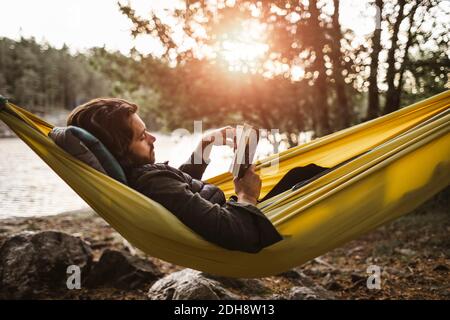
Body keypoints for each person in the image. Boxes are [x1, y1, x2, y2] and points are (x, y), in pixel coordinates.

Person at [67, 98, 282, 253]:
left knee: (304, 172)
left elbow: (180, 191)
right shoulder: (153, 183)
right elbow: (235, 232)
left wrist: (204, 146)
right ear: (120, 150)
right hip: (250, 221)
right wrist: (247, 196)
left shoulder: (147, 179)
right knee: (308, 173)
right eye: (142, 137)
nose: (153, 138)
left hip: (237, 212)